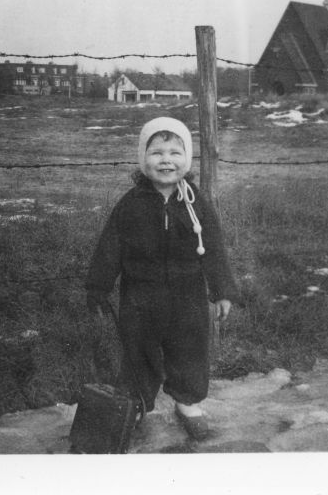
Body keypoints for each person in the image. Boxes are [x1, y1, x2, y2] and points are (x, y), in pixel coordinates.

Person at [85, 116, 239, 441]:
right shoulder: (131, 205)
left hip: (188, 295)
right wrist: (98, 286)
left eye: (174, 152)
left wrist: (222, 290)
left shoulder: (195, 202)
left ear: (187, 158)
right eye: (156, 153)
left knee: (190, 350)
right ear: (143, 159)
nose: (166, 160)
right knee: (139, 351)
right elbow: (110, 247)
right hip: (140, 297)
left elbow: (213, 248)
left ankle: (187, 401)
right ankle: (137, 403)